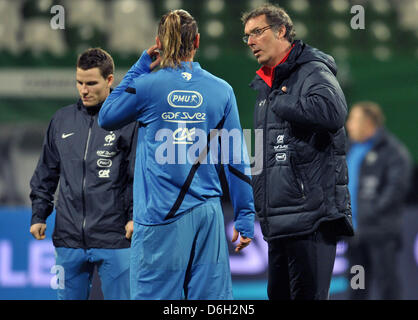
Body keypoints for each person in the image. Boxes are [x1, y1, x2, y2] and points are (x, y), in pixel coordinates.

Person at [99, 9, 255, 300]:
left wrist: (140, 67)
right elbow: (236, 157)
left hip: (161, 214)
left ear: (159, 43)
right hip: (208, 215)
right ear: (197, 41)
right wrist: (245, 215)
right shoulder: (221, 90)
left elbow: (106, 116)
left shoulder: (146, 86)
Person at [241, 4, 354, 300]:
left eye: (257, 32)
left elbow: (333, 112)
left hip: (311, 218)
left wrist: (282, 101)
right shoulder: (266, 85)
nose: (251, 41)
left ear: (281, 31)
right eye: (247, 36)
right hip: (279, 221)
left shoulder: (311, 69)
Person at [29, 48, 138, 300]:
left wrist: (134, 217)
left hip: (116, 237)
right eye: (79, 82)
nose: (84, 90)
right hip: (68, 239)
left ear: (109, 80)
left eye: (91, 83)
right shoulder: (62, 119)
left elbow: (136, 175)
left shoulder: (128, 121)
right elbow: (46, 171)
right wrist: (39, 214)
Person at [346, 101, 412, 300]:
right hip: (355, 236)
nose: (348, 125)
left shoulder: (393, 152)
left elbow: (397, 189)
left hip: (380, 235)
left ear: (368, 123)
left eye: (353, 120)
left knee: (387, 287)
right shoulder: (350, 148)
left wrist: (372, 211)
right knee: (357, 287)